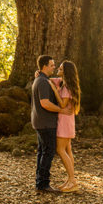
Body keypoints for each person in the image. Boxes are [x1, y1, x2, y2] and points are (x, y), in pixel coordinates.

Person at [31, 54, 62, 194]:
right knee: (48, 152)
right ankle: (43, 183)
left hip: (40, 121)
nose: (54, 67)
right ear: (44, 66)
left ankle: (40, 182)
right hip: (46, 123)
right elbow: (45, 103)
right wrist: (61, 110)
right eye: (51, 65)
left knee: (42, 152)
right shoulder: (42, 82)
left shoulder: (40, 79)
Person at [48, 60, 81, 192]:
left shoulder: (66, 88)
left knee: (60, 149)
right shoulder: (65, 84)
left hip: (64, 121)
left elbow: (62, 104)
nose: (58, 69)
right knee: (67, 150)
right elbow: (51, 79)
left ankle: (72, 180)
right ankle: (69, 179)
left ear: (65, 72)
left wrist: (55, 90)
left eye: (60, 68)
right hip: (67, 120)